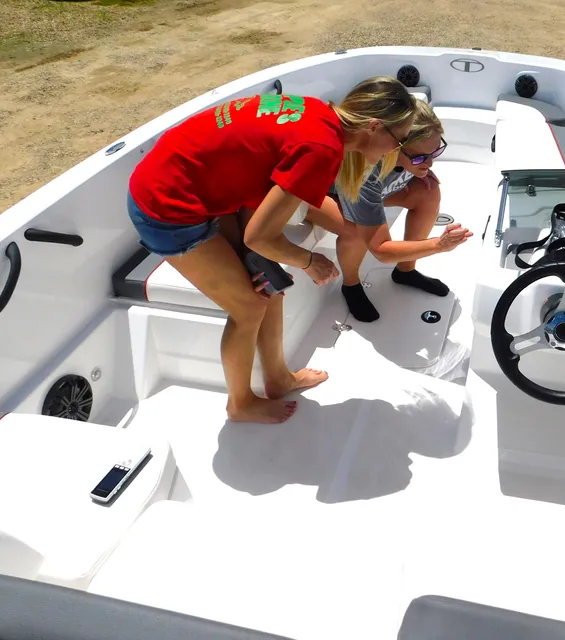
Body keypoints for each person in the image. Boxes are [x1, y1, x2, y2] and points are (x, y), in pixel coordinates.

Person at [126, 76, 418, 424]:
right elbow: (258, 238)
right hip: (166, 207)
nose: (394, 151)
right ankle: (240, 404)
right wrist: (310, 261)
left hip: (196, 185)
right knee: (248, 308)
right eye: (398, 140)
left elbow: (257, 179)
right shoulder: (322, 149)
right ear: (373, 127)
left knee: (269, 284)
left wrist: (271, 261)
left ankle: (278, 378)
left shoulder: (315, 110)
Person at [302, 99, 472, 322]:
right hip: (314, 195)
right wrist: (437, 245)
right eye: (421, 157)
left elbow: (418, 159)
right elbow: (381, 251)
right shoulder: (366, 174)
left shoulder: (412, 157)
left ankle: (406, 271)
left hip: (365, 191)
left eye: (436, 151)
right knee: (355, 230)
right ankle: (351, 285)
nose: (430, 163)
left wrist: (419, 167)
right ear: (394, 146)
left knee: (427, 191)